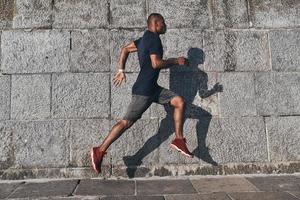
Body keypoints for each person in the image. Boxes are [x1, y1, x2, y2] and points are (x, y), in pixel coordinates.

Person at [90, 13, 193, 174]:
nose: (165, 25)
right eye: (163, 23)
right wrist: (176, 61)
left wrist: (121, 70)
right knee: (126, 123)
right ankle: (99, 150)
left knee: (179, 101)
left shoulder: (144, 38)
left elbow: (125, 49)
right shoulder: (154, 39)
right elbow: (156, 63)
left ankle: (179, 139)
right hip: (144, 91)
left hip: (152, 88)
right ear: (156, 23)